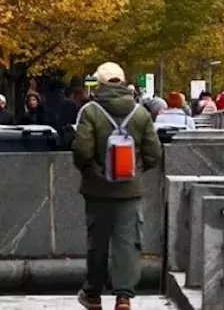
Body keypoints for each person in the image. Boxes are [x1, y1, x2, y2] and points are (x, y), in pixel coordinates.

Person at [73, 62, 161, 310]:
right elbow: (154, 153)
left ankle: (93, 294)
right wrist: (136, 171)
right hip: (129, 191)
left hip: (96, 190)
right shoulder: (141, 113)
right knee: (128, 243)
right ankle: (123, 296)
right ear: (122, 83)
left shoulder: (90, 112)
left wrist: (90, 172)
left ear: (99, 85)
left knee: (97, 243)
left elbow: (81, 150)